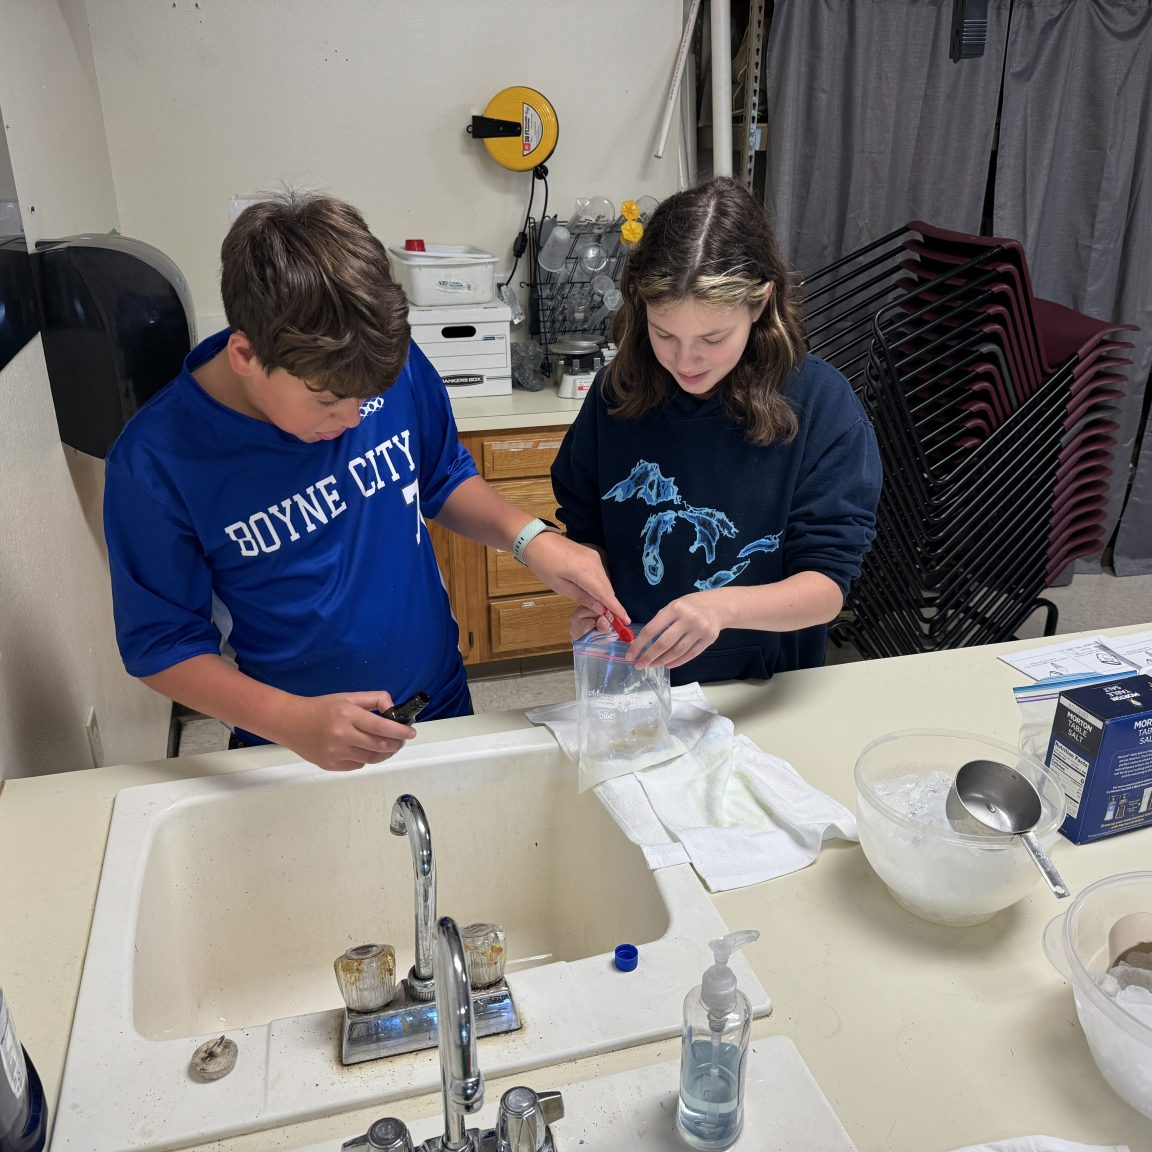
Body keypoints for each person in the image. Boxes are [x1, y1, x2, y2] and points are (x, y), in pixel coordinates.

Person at [103, 191, 627, 772]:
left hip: (440, 698)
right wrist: (289, 721)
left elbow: (443, 475)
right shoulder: (156, 461)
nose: (353, 420)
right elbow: (163, 646)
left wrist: (532, 539)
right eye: (327, 401)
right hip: (292, 743)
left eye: (368, 399)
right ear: (246, 355)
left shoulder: (378, 358)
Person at [551, 176, 881, 684]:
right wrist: (591, 592)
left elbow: (827, 587)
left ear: (760, 302)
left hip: (765, 687)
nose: (686, 360)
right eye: (664, 333)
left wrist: (721, 608)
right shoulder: (617, 392)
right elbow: (586, 529)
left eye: (712, 337)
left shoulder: (821, 406)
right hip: (641, 681)